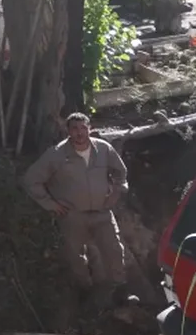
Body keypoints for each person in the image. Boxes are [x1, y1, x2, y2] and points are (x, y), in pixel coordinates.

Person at [23, 113, 138, 309]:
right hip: (72, 215)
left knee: (114, 250)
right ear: (68, 131)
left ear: (89, 128)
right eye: (74, 129)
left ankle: (120, 291)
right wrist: (51, 204)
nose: (79, 133)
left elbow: (121, 172)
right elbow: (31, 180)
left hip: (102, 212)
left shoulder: (103, 148)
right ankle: (84, 291)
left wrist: (116, 192)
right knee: (75, 256)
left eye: (83, 128)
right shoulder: (56, 154)